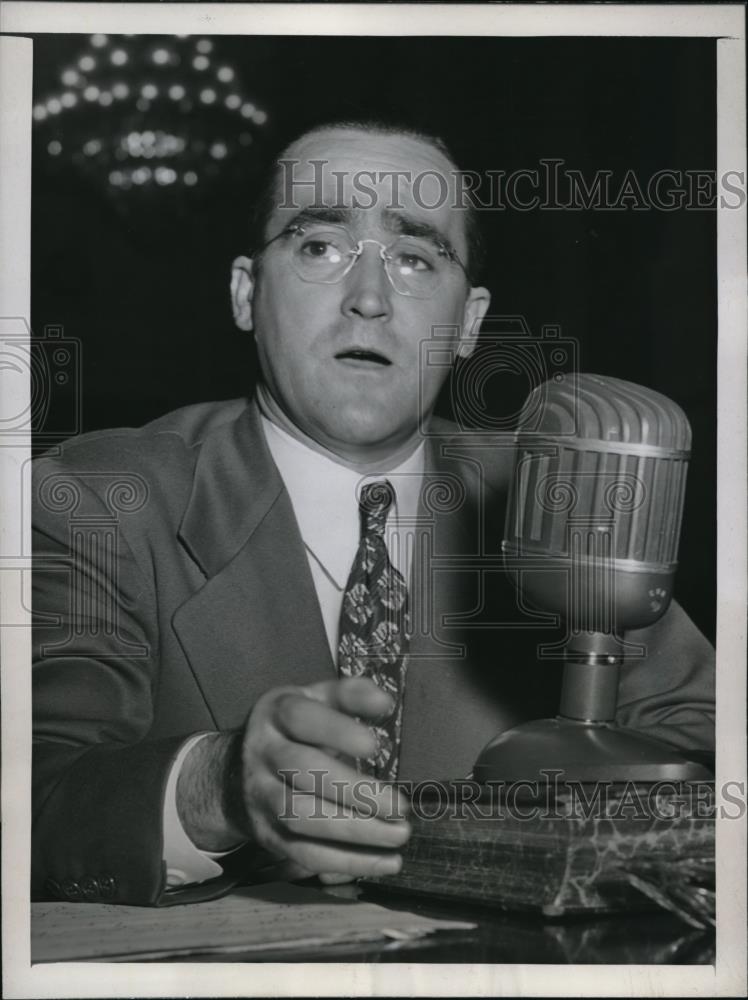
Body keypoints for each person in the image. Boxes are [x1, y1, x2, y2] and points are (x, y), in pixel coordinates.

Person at [32, 120, 715, 906]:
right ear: (246, 293)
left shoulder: (564, 489)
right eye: (320, 247)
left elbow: (708, 742)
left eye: (416, 258)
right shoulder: (97, 497)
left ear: (467, 323)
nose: (368, 300)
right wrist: (216, 785)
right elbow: (33, 790)